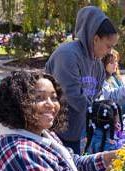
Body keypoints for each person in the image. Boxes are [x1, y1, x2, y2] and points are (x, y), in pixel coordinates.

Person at [46, 6, 118, 154]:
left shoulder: (98, 64)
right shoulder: (67, 56)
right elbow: (73, 96)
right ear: (95, 38)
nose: (110, 52)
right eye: (108, 46)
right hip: (57, 135)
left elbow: (95, 96)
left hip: (82, 134)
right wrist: (99, 112)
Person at [101, 49, 125, 114]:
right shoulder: (102, 81)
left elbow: (121, 93)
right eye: (112, 62)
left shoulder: (114, 77)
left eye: (116, 61)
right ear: (104, 64)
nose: (115, 64)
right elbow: (111, 97)